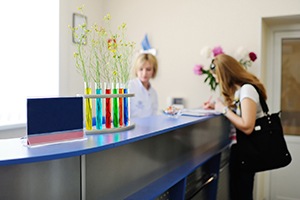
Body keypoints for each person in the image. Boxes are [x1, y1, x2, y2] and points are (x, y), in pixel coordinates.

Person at [203, 54, 267, 200]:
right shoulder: (241, 91)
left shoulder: (247, 90)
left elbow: (247, 126)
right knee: (238, 193)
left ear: (225, 74)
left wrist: (223, 110)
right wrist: (217, 107)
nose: (217, 80)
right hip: (241, 150)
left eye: (217, 76)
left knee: (242, 194)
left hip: (246, 151)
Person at [128, 53, 158, 118]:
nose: (144, 73)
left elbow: (154, 116)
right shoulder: (129, 88)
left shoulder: (153, 93)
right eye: (141, 69)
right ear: (136, 70)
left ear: (154, 71)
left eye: (148, 69)